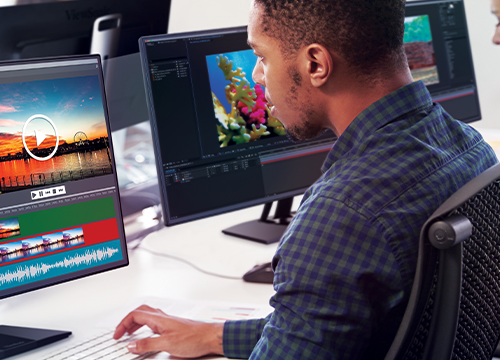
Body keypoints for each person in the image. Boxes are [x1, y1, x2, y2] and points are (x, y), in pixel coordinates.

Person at [113, 0, 498, 358]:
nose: (257, 75)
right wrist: (215, 335)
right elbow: (334, 323)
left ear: (316, 64)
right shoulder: (472, 148)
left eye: (262, 56)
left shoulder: (338, 215)